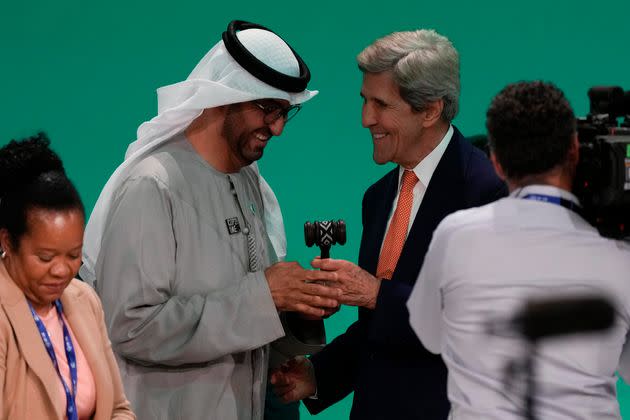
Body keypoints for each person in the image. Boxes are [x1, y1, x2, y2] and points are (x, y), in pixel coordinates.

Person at [80, 20, 340, 420]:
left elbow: (243, 330)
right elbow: (132, 327)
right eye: (268, 109)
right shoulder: (154, 185)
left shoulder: (250, 185)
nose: (278, 128)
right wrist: (265, 296)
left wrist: (298, 312)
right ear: (226, 97)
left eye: (287, 112)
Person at [271, 29, 507, 419]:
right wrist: (318, 376)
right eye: (365, 101)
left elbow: (480, 325)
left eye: (381, 104)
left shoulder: (487, 193)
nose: (366, 119)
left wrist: (377, 293)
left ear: (430, 110)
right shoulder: (379, 197)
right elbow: (378, 329)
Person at [407, 81, 630, 419]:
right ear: (574, 149)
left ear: (495, 161)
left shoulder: (455, 235)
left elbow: (429, 335)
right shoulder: (618, 254)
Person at [0, 133, 135, 419]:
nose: (62, 270)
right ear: (7, 241)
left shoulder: (84, 299)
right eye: (45, 257)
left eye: (73, 255)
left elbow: (119, 408)